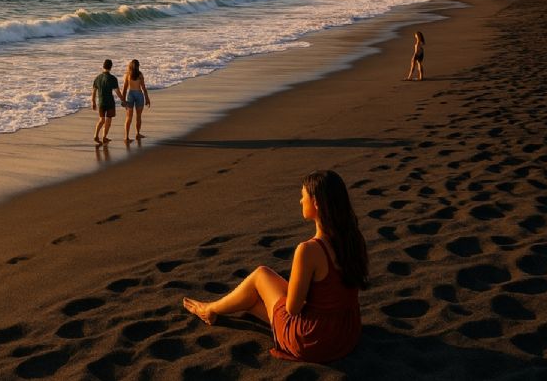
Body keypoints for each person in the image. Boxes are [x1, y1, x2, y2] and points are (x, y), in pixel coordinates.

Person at [183, 170, 368, 363]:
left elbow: (293, 309)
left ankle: (210, 310)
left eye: (302, 195)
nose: (300, 201)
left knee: (260, 275)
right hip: (346, 333)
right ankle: (228, 307)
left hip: (314, 341)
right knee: (253, 302)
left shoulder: (309, 250)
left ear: (316, 203)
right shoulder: (354, 239)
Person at [92, 59, 126, 145]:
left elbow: (94, 92)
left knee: (101, 120)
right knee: (108, 120)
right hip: (110, 102)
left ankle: (96, 135)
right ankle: (104, 137)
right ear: (111, 67)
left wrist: (93, 102)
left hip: (101, 102)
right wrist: (123, 100)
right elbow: (117, 92)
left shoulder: (97, 78)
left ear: (103, 66)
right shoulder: (112, 78)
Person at [121, 59, 151, 143]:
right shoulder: (140, 75)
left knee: (128, 117)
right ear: (138, 66)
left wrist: (123, 99)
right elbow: (143, 88)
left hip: (130, 95)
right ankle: (137, 133)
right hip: (139, 95)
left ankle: (126, 137)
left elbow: (124, 88)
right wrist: (147, 98)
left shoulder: (127, 75)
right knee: (138, 116)